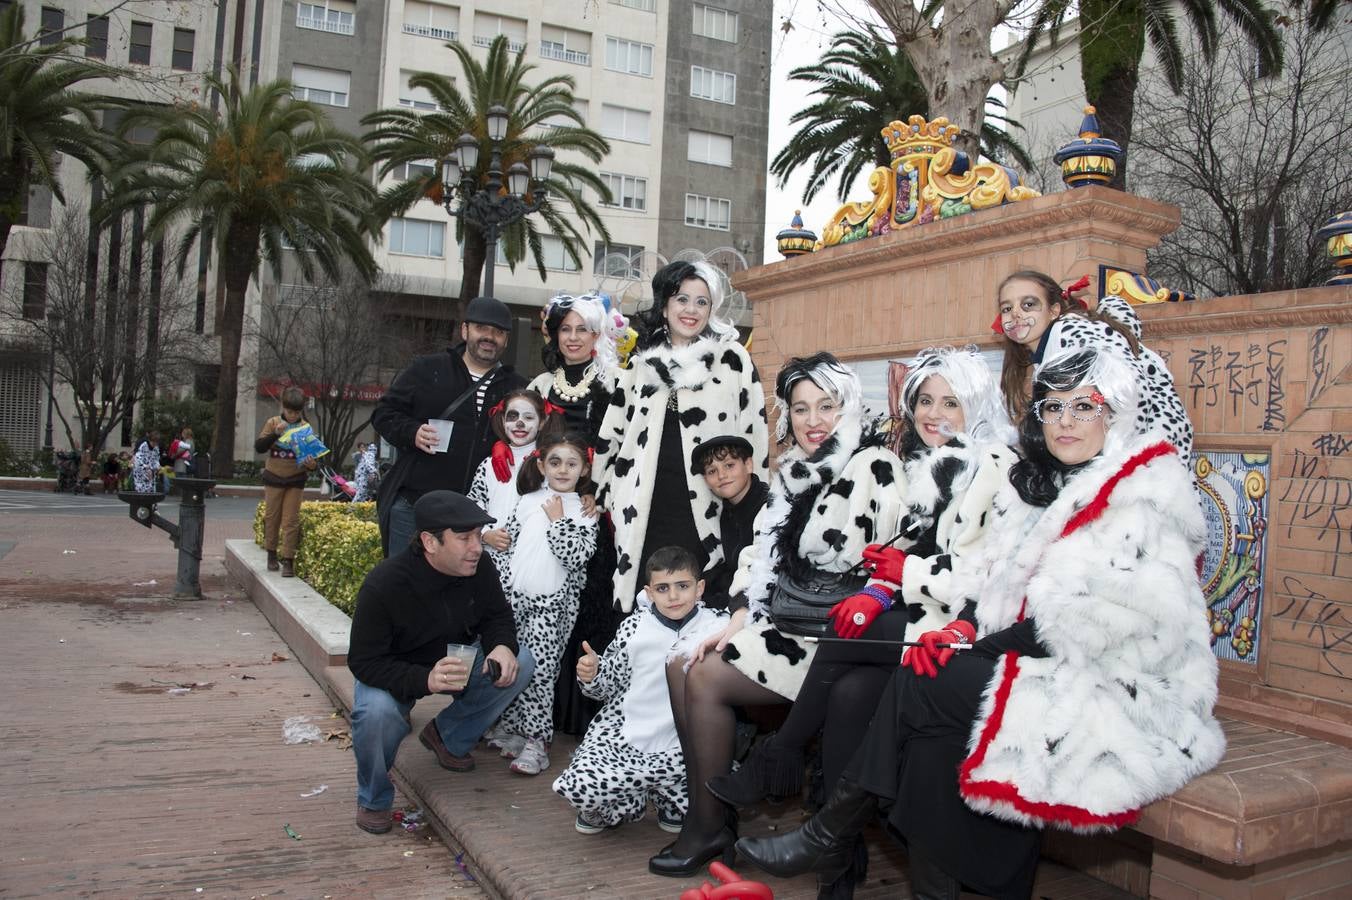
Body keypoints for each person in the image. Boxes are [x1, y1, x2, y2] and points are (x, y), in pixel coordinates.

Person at [736, 348, 1225, 900]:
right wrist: (962, 630)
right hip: (1038, 656)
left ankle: (829, 832)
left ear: (1115, 413)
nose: (1065, 421)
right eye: (1055, 406)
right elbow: (992, 580)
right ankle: (869, 854)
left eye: (1084, 407)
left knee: (924, 680)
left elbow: (1081, 624)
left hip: (1118, 681)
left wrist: (969, 645)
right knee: (926, 728)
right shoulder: (1042, 485)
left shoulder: (1139, 497)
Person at [706, 346, 1015, 898]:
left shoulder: (995, 469)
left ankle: (781, 757)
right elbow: (892, 557)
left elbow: (993, 573)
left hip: (967, 630)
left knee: (847, 639)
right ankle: (836, 869)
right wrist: (879, 588)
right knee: (849, 693)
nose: (933, 412)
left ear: (976, 406)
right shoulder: (924, 465)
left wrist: (902, 576)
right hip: (911, 623)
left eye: (951, 402)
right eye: (924, 400)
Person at [651, 352, 905, 878]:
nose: (813, 421)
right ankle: (710, 821)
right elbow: (759, 556)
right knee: (680, 663)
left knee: (702, 677)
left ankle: (707, 826)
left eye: (827, 406)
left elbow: (877, 559)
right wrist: (741, 613)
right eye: (801, 408)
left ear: (849, 408)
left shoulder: (872, 465)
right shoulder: (793, 473)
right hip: (788, 625)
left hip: (836, 638)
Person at [347, 490, 536, 836]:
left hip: (456, 660)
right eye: (464, 538)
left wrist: (502, 647)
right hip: (395, 670)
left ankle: (447, 737)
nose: (477, 547)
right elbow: (363, 662)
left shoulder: (478, 568)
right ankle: (373, 798)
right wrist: (425, 680)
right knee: (376, 714)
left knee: (521, 661)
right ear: (429, 542)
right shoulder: (384, 584)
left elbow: (497, 617)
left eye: (478, 536)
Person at [594, 259, 768, 614]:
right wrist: (605, 491)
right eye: (682, 299)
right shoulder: (643, 363)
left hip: (708, 509)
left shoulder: (732, 359)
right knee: (645, 607)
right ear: (665, 304)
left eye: (701, 302)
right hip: (644, 507)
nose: (691, 310)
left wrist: (756, 502)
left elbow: (755, 433)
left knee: (700, 607)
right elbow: (613, 431)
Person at [552, 546, 728, 835]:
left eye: (682, 586)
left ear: (699, 588)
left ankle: (667, 798)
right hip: (627, 732)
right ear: (649, 593)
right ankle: (623, 801)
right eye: (662, 588)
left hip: (684, 739)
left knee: (714, 792)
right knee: (582, 787)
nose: (673, 596)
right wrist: (594, 672)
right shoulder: (634, 627)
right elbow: (607, 684)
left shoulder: (717, 625)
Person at [528, 292, 630, 738]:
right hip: (547, 514)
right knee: (548, 610)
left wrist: (597, 494)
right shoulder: (540, 385)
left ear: (597, 334)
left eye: (582, 329)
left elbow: (624, 449)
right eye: (566, 328)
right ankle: (539, 714)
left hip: (597, 515)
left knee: (590, 611)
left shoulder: (614, 382)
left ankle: (587, 717)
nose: (573, 337)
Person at [371, 295, 526, 557]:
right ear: (465, 330)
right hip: (415, 510)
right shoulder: (427, 369)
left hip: (474, 519)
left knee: (456, 595)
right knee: (403, 590)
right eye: (481, 328)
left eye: (498, 332)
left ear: (506, 340)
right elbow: (383, 413)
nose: (489, 337)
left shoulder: (515, 386)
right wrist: (413, 432)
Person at [488, 432, 600, 776]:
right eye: (555, 462)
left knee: (540, 673)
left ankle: (538, 742)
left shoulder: (586, 512)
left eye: (571, 463)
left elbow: (575, 556)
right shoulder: (526, 501)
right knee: (512, 667)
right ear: (541, 465)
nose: (562, 470)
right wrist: (505, 590)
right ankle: (511, 730)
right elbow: (509, 547)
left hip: (550, 608)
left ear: (583, 470)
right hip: (515, 601)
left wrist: (559, 521)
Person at [995, 269, 1192, 459]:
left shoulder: (1071, 332)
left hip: (1145, 456)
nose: (1016, 314)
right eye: (1007, 308)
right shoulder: (1046, 351)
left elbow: (1132, 392)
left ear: (1054, 310)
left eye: (1028, 304)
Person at [466, 389, 564, 578]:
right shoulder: (488, 465)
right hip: (492, 559)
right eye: (513, 416)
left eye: (528, 417)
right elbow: (474, 502)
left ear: (542, 422)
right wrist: (485, 534)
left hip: (533, 560)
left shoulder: (551, 465)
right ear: (503, 421)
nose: (520, 423)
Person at [690, 435, 769, 612]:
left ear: (748, 465)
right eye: (712, 471)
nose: (721, 476)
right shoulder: (728, 511)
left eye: (729, 465)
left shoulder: (770, 507)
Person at [255, 386, 318, 577]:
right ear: (283, 407)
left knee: (291, 520)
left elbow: (313, 460)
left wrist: (311, 464)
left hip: (295, 479)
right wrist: (275, 433)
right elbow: (259, 447)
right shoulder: (273, 422)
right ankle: (271, 553)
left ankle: (288, 559)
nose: (292, 416)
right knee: (272, 516)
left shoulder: (305, 427)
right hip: (274, 476)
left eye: (296, 412)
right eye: (289, 411)